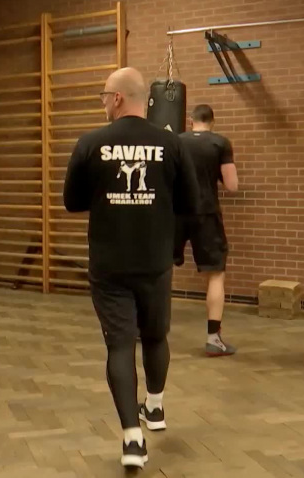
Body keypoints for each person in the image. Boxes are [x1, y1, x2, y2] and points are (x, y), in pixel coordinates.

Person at [63, 68, 201, 469]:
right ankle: (154, 408)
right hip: (154, 262)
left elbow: (72, 202)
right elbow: (190, 203)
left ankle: (132, 439)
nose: (103, 102)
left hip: (109, 265)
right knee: (155, 337)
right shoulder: (171, 144)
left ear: (119, 98)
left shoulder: (90, 142)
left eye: (104, 95)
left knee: (120, 346)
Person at [173, 104, 239, 357]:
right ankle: (213, 339)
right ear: (212, 121)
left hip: (175, 213)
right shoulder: (220, 143)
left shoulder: (176, 142)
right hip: (206, 213)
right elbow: (232, 185)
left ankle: (143, 328)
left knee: (160, 269)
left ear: (191, 120)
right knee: (215, 274)